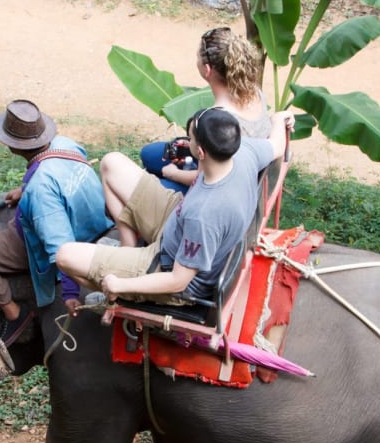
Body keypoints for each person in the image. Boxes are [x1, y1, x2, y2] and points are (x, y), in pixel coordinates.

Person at [57, 106, 292, 306]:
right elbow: (277, 145)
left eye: (191, 138)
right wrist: (278, 119)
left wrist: (119, 283)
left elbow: (178, 280)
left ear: (200, 151)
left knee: (65, 256)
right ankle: (127, 250)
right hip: (176, 221)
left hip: (168, 267)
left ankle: (120, 295)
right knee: (111, 163)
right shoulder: (243, 151)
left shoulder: (205, 214)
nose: (187, 141)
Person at [0, 100, 111, 345]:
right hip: (93, 222)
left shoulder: (40, 190)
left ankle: (14, 313)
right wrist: (25, 187)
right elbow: (57, 175)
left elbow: (61, 247)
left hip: (62, 234)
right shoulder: (64, 145)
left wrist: (70, 291)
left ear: (12, 146)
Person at [140, 26, 271, 193]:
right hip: (249, 171)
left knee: (146, 183)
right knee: (149, 154)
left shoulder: (216, 120)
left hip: (222, 188)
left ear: (207, 70)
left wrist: (173, 174)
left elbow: (206, 178)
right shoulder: (254, 91)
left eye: (197, 57)